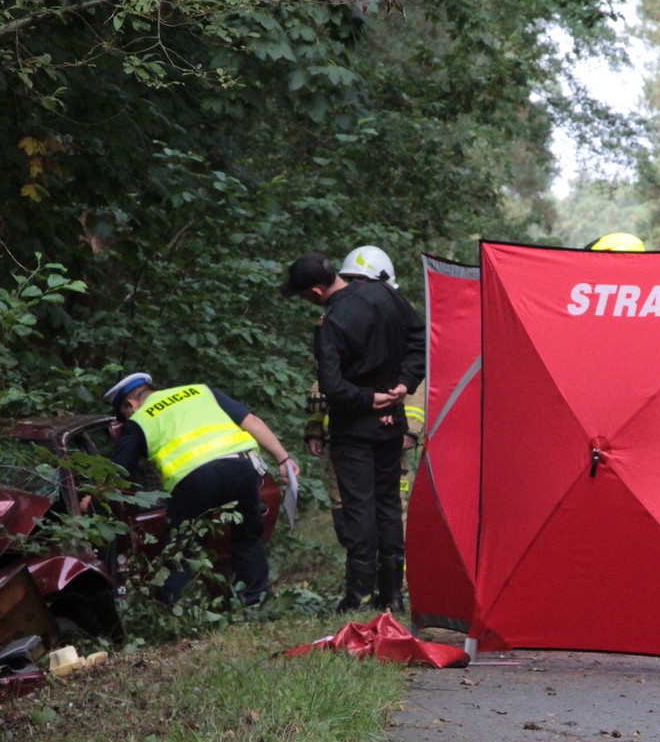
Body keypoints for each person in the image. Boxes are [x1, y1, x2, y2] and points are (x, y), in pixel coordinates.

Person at [281, 251, 425, 612]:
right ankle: (392, 595)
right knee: (389, 505)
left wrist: (367, 398)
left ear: (315, 290)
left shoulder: (330, 323)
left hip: (354, 430)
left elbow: (331, 386)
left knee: (359, 508)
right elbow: (421, 339)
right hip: (392, 421)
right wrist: (404, 385)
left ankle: (357, 595)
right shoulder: (385, 293)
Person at [101, 372, 299, 606]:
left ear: (130, 404)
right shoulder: (200, 391)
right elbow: (253, 422)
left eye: (124, 414)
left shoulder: (140, 419)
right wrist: (283, 459)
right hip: (239, 467)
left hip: (193, 480)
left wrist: (91, 499)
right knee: (247, 536)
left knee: (181, 548)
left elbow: (117, 474)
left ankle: (176, 610)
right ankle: (255, 601)